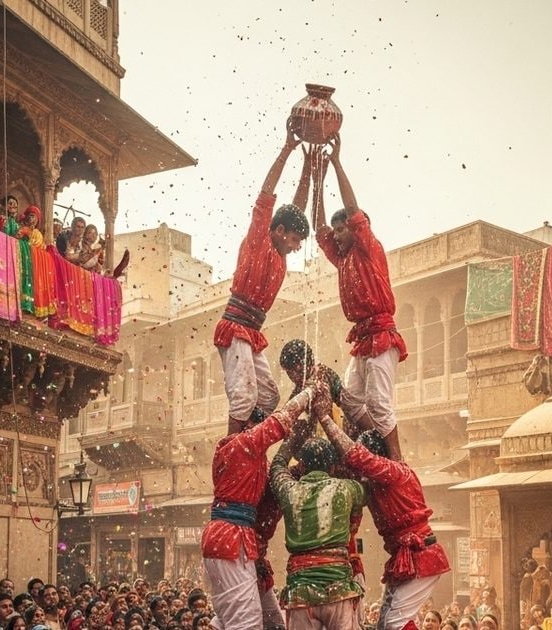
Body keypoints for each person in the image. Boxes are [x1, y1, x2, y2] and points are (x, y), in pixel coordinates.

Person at [212, 119, 311, 435]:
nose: (296, 247)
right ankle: (232, 450)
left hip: (251, 332)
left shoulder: (280, 254)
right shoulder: (259, 240)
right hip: (235, 328)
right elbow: (266, 194)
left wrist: (308, 169)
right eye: (294, 240)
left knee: (268, 398)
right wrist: (287, 149)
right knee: (244, 397)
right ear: (279, 231)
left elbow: (297, 208)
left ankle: (247, 443)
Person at [200, 380, 324, 630]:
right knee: (246, 623)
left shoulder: (252, 461)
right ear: (248, 426)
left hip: (237, 541)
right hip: (231, 538)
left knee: (271, 623)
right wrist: (310, 391)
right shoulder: (241, 445)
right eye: (258, 425)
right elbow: (280, 421)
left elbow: (279, 472)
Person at [314, 134, 408, 460]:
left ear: (356, 229)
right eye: (336, 231)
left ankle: (397, 460)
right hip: (363, 339)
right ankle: (376, 446)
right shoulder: (342, 258)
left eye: (342, 229)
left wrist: (337, 163)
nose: (336, 235)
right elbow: (318, 227)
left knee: (380, 403)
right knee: (352, 401)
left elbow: (353, 209)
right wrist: (317, 178)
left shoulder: (368, 247)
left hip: (382, 335)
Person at [317, 414, 450, 630]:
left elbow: (357, 457)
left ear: (376, 456)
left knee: (394, 623)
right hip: (406, 557)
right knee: (384, 623)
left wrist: (325, 419)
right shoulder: (376, 483)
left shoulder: (395, 471)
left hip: (420, 555)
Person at [270, 417, 365, 629]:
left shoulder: (289, 490)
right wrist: (335, 431)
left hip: (301, 594)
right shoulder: (347, 488)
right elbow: (364, 472)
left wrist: (293, 439)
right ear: (332, 467)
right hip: (339, 589)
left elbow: (276, 466)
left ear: (302, 466)